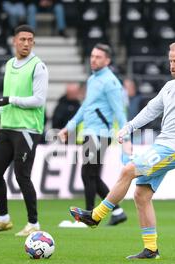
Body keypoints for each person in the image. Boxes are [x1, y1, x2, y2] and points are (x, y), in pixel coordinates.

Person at [68, 41, 175, 259]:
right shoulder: (169, 86)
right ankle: (151, 249)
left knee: (128, 170)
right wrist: (129, 126)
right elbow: (151, 110)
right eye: (170, 61)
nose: (172, 66)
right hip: (162, 145)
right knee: (141, 195)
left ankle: (96, 216)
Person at [0, 25, 49, 236]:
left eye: (30, 40)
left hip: (28, 129)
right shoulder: (10, 64)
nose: (26, 43)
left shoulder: (39, 67)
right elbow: (7, 94)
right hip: (8, 127)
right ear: (14, 41)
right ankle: (3, 219)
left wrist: (9, 100)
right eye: (23, 39)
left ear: (34, 43)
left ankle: (33, 224)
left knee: (22, 176)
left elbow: (38, 100)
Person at [58, 43, 129, 226]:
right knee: (93, 175)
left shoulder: (110, 82)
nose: (93, 59)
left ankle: (87, 218)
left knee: (87, 173)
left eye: (98, 57)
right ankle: (117, 211)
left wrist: (125, 136)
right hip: (91, 133)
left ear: (107, 60)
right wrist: (69, 127)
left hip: (99, 134)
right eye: (92, 55)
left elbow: (119, 111)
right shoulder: (92, 80)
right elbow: (85, 107)